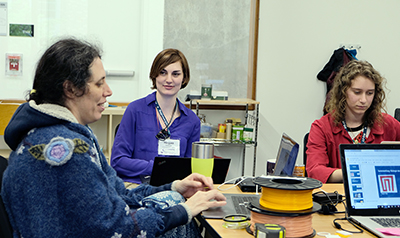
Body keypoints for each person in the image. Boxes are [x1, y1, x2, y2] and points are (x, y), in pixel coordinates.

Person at [1, 38, 226, 238]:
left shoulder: (67, 133)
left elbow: (119, 193)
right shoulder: (68, 150)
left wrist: (174, 186)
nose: (108, 91)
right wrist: (182, 211)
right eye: (99, 83)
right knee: (181, 222)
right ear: (70, 89)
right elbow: (115, 227)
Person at [111, 48, 200, 187]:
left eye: (175, 74)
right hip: (136, 186)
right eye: (163, 72)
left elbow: (190, 169)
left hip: (173, 189)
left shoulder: (192, 121)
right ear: (155, 75)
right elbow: (118, 161)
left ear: (184, 78)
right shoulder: (135, 110)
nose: (169, 80)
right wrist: (157, 168)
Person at [306, 60, 400, 183]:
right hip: (339, 197)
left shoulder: (388, 123)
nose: (364, 100)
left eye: (369, 93)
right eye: (357, 92)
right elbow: (315, 171)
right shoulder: (322, 127)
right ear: (343, 92)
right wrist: (358, 170)